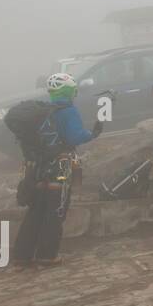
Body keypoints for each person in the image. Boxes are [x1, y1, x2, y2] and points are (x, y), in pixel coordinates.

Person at [12, 73, 103, 267]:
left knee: (36, 210)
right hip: (60, 167)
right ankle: (47, 255)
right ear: (69, 91)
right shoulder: (68, 111)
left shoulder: (45, 110)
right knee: (55, 212)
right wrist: (92, 134)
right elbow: (75, 137)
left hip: (37, 169)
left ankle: (22, 256)